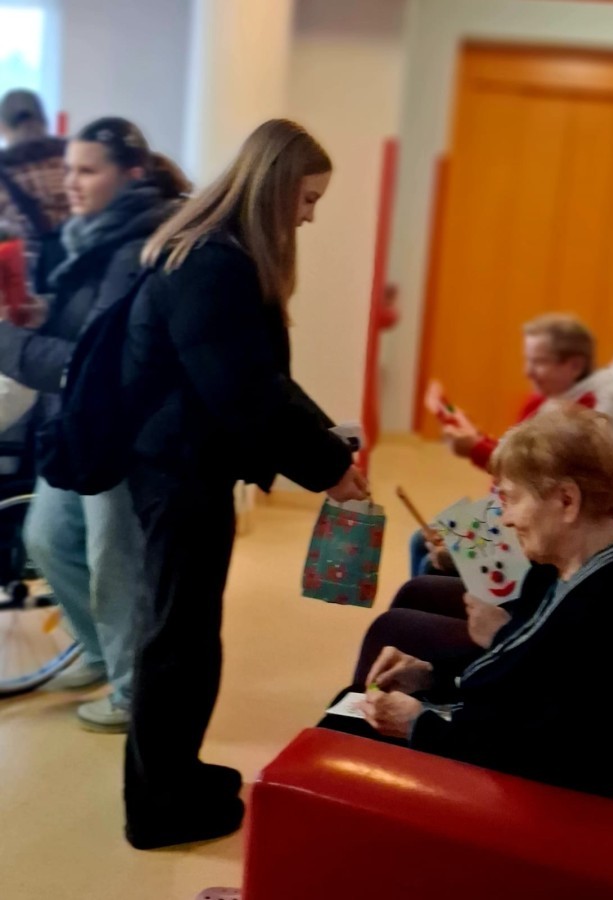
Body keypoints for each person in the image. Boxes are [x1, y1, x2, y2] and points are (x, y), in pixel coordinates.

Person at [121, 119, 369, 850]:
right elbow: (244, 394)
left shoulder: (214, 252)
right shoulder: (213, 265)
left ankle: (179, 774)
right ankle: (158, 809)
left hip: (182, 469)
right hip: (178, 475)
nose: (309, 216)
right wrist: (329, 471)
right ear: (275, 186)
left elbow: (261, 380)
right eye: (308, 198)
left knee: (187, 635)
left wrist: (329, 439)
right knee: (176, 643)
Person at [324, 405, 613, 814]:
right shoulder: (589, 566)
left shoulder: (607, 608)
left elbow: (538, 751)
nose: (507, 518)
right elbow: (527, 686)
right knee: (350, 706)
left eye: (512, 499)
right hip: (499, 753)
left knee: (339, 730)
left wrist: (417, 725)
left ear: (567, 500)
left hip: (528, 805)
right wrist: (432, 675)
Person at [353, 347, 613, 686]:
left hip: (525, 636)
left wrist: (502, 633)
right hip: (526, 617)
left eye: (610, 445)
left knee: (397, 621)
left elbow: (566, 650)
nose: (598, 455)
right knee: (421, 579)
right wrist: (468, 552)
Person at [0, 117, 183, 731]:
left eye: (86, 170)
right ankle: (101, 651)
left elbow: (91, 361)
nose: (70, 183)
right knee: (47, 540)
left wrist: (6, 341)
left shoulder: (139, 248)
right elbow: (80, 326)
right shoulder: (92, 235)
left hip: (120, 434)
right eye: (68, 169)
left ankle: (132, 690)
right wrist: (35, 315)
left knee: (114, 565)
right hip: (82, 430)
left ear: (131, 174)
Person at [411, 314, 597, 577]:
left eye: (539, 362)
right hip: (502, 512)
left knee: (434, 561)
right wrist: (476, 438)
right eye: (528, 360)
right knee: (421, 541)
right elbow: (512, 456)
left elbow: (531, 477)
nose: (528, 372)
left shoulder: (583, 418)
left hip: (527, 530)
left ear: (575, 365)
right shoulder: (539, 402)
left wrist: (476, 447)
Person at [0, 90, 69, 283]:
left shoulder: (5, 172)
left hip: (27, 284)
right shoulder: (73, 162)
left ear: (2, 126)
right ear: (45, 121)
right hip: (82, 277)